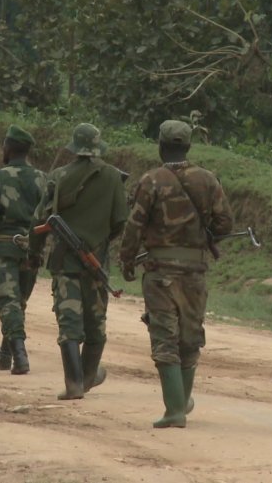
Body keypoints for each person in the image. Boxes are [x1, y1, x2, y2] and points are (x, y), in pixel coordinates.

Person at [119, 120, 233, 429]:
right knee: (190, 337)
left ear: (160, 145)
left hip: (159, 272)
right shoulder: (208, 180)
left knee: (164, 338)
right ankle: (181, 402)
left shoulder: (150, 181)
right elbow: (224, 224)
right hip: (195, 272)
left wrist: (126, 258)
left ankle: (175, 410)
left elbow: (134, 225)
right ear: (188, 146)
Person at [28, 123, 128, 400]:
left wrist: (33, 254)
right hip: (97, 262)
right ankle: (86, 377)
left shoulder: (59, 176)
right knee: (96, 323)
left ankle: (73, 383)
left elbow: (39, 220)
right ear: (98, 147)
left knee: (68, 322)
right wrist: (101, 240)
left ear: (74, 147)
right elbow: (121, 221)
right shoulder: (112, 178)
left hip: (64, 263)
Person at [0, 125, 46, 375]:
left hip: (5, 246)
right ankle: (6, 353)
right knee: (18, 302)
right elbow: (49, 216)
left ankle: (20, 355)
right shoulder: (43, 178)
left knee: (8, 301)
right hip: (33, 247)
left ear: (8, 148)